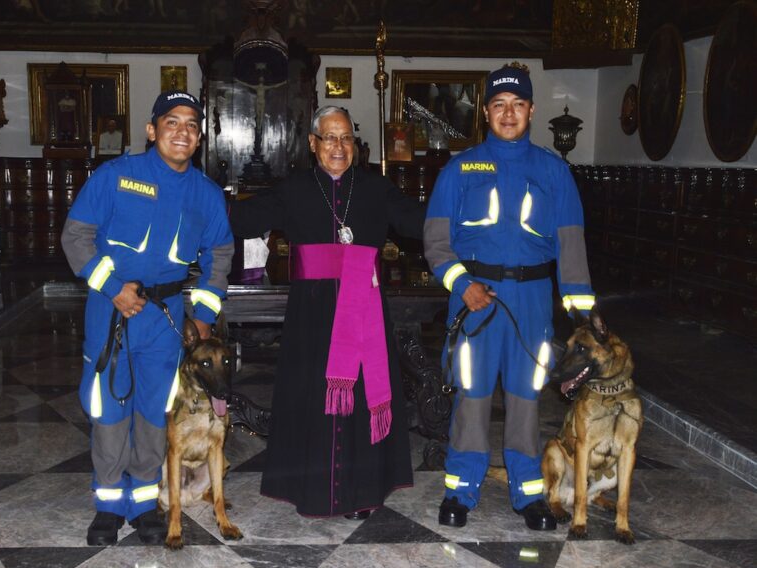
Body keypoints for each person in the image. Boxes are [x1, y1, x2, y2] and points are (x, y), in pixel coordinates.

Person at [423, 63, 595, 531]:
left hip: (533, 299)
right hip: (475, 299)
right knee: (472, 396)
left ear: (531, 110)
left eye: (517, 105)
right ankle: (460, 490)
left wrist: (582, 317)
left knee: (525, 398)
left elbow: (571, 246)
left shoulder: (554, 172)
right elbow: (437, 243)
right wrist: (463, 285)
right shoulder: (461, 169)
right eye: (499, 105)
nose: (508, 113)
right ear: (485, 112)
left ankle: (528, 493)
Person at [230, 106, 424, 519]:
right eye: (330, 138)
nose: (339, 146)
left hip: (365, 309)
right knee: (314, 399)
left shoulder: (375, 187)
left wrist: (459, 208)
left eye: (347, 138)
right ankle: (311, 490)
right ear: (313, 143)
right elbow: (241, 217)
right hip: (312, 315)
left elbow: (418, 222)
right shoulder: (295, 188)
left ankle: (360, 493)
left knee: (357, 399)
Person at [61, 90, 234, 546]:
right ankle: (108, 505)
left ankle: (143, 504)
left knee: (155, 413)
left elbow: (219, 255)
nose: (183, 131)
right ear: (152, 130)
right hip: (112, 309)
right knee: (109, 410)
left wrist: (203, 313)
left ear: (199, 138)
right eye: (172, 122)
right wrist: (113, 287)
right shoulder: (116, 177)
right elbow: (76, 236)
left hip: (166, 317)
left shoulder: (207, 194)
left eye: (192, 125)